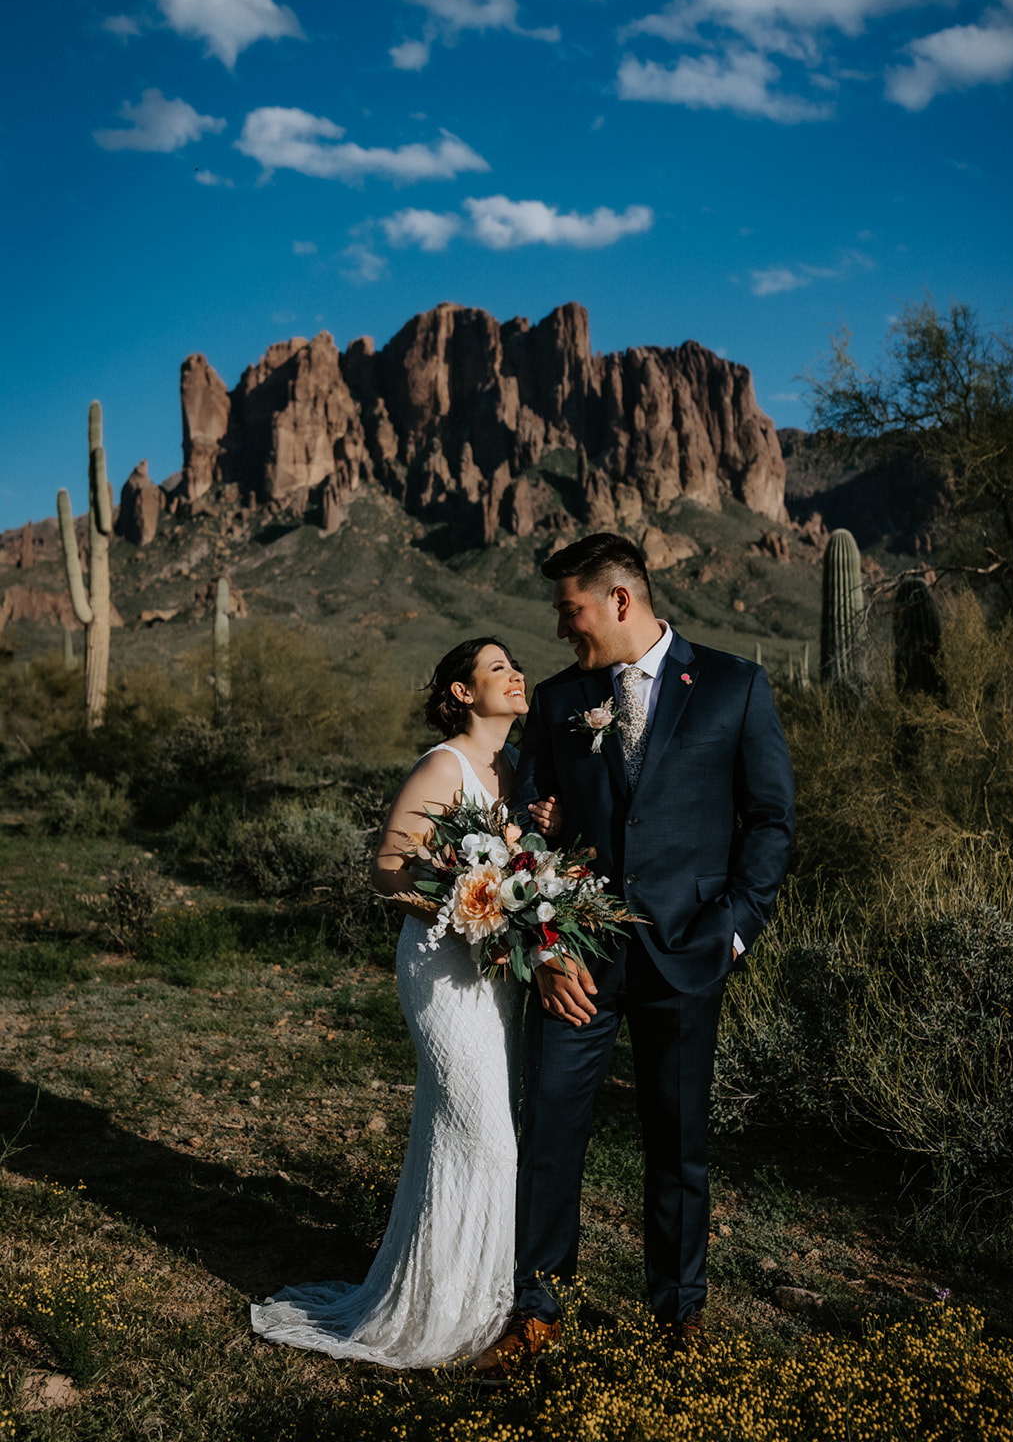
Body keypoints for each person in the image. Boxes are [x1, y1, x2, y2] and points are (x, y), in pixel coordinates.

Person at [473, 533, 795, 1377]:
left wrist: (734, 928)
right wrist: (543, 945)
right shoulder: (556, 700)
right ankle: (538, 1311)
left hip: (690, 954)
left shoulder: (734, 685)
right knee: (548, 1134)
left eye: (569, 609)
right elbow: (523, 837)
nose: (560, 627)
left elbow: (770, 821)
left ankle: (678, 1315)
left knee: (678, 1142)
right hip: (576, 961)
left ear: (620, 600)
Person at [251, 637, 534, 1369]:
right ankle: (453, 1322)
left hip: (496, 976)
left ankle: (471, 1302)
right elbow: (385, 871)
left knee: (465, 1134)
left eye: (515, 665)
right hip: (443, 969)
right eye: (497, 668)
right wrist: (468, 908)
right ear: (463, 693)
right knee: (488, 1138)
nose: (516, 674)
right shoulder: (444, 765)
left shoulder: (515, 771)